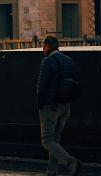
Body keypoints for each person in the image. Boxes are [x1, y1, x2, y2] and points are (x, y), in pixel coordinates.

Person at [37, 36, 82, 176]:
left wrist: (40, 105)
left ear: (48, 47)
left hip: (51, 107)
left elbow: (41, 86)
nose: (42, 49)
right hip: (65, 106)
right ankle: (52, 170)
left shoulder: (48, 61)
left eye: (43, 46)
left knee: (47, 140)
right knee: (55, 140)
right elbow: (75, 82)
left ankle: (70, 162)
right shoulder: (68, 60)